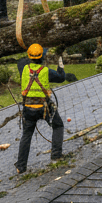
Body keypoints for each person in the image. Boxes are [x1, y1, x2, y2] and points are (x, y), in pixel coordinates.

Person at [15, 43, 74, 173]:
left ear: (29, 57)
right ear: (42, 57)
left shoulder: (24, 69)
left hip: (28, 108)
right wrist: (60, 64)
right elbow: (61, 78)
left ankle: (21, 166)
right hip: (44, 107)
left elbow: (24, 61)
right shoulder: (46, 71)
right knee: (58, 126)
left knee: (26, 135)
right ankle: (56, 156)